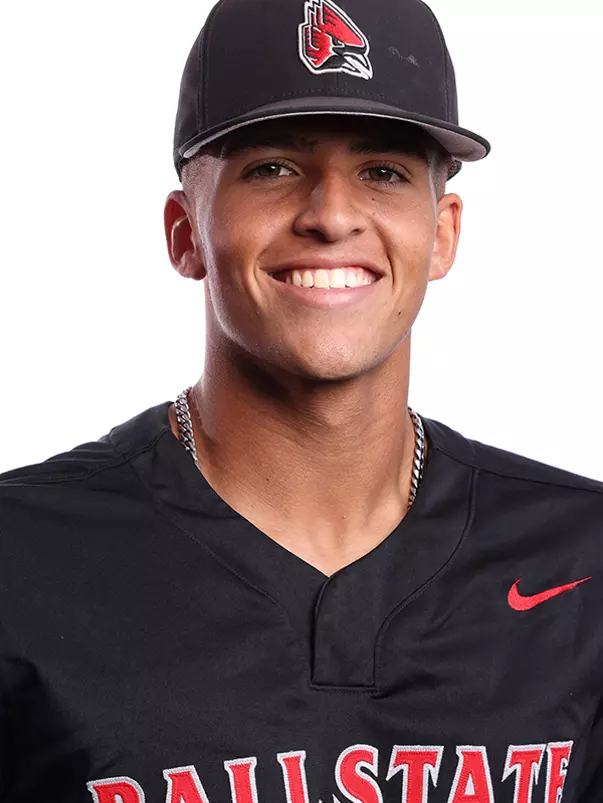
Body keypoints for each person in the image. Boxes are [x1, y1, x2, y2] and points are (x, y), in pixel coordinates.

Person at [1, 0, 602, 800]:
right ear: (185, 232)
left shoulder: (580, 556)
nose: (330, 214)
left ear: (443, 233)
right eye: (273, 168)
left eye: (382, 172)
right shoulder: (20, 558)